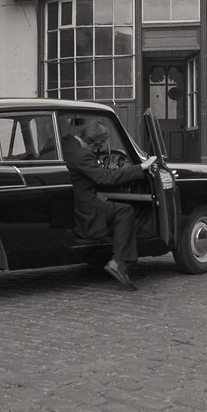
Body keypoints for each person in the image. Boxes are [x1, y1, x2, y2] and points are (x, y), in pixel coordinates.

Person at [62, 119, 156, 291]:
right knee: (125, 211)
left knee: (111, 207)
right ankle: (118, 261)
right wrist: (140, 167)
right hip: (84, 208)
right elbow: (106, 178)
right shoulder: (84, 156)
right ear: (94, 145)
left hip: (70, 201)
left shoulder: (65, 143)